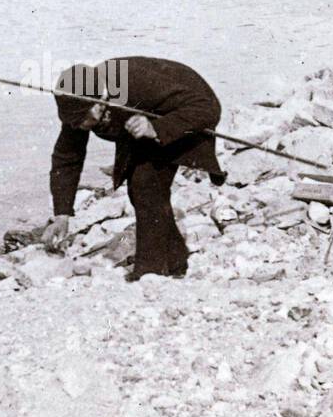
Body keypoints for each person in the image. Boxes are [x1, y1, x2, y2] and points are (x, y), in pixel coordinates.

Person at [43, 57, 225, 281]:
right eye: (72, 122)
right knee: (142, 190)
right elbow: (67, 158)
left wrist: (157, 128)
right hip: (144, 126)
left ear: (100, 102)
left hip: (182, 116)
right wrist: (62, 214)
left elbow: (208, 108)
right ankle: (175, 261)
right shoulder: (79, 102)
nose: (77, 127)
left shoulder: (136, 84)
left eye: (81, 120)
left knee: (145, 185)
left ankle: (151, 272)